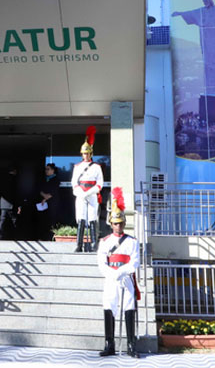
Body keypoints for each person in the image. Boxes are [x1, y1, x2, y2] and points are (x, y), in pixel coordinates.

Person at [97, 187, 140, 358]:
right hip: (111, 278)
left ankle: (131, 345)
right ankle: (109, 344)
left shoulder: (132, 241)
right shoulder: (105, 241)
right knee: (109, 306)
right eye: (115, 223)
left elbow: (135, 261)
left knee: (129, 307)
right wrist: (112, 274)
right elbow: (101, 263)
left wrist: (121, 272)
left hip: (126, 278)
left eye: (121, 223)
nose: (118, 226)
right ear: (111, 223)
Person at [71, 125, 103, 252]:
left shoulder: (96, 167)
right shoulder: (77, 166)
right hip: (81, 194)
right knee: (81, 218)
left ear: (91, 153)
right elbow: (74, 182)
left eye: (88, 153)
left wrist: (90, 192)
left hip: (92, 193)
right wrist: (80, 193)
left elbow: (100, 183)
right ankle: (79, 245)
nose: (86, 155)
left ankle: (94, 243)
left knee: (92, 218)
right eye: (84, 153)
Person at [0, 166, 20, 240]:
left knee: (2, 221)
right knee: (14, 221)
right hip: (12, 204)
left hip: (3, 204)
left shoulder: (3, 179)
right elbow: (15, 193)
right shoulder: (14, 180)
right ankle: (14, 238)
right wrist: (19, 206)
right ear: (15, 171)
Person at [38, 163, 60, 241]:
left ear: (53, 170)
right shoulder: (44, 179)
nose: (46, 171)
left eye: (48, 169)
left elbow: (54, 191)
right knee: (43, 220)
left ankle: (51, 237)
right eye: (45, 169)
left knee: (51, 220)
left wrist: (45, 198)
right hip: (43, 204)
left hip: (52, 203)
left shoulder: (56, 180)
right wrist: (43, 195)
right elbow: (39, 189)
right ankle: (43, 237)